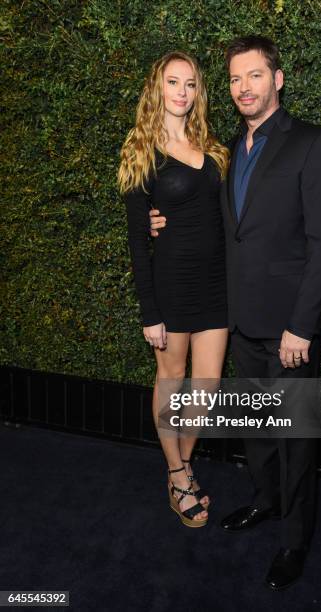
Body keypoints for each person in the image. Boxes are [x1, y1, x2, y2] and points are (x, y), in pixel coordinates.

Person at [149, 36, 321, 588]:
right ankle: (264, 501)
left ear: (277, 80)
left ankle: (295, 539)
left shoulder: (314, 143)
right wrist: (152, 221)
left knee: (295, 437)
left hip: (289, 330)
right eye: (234, 79)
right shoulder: (227, 150)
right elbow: (204, 219)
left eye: (254, 76)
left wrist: (302, 326)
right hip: (237, 321)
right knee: (259, 429)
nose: (243, 88)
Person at [118, 51, 230, 528]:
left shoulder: (211, 143)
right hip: (171, 283)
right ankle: (179, 474)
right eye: (173, 82)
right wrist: (149, 311)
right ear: (157, 88)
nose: (182, 92)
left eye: (190, 84)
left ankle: (179, 463)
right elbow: (136, 240)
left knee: (205, 388)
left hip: (216, 283)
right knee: (172, 379)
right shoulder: (143, 151)